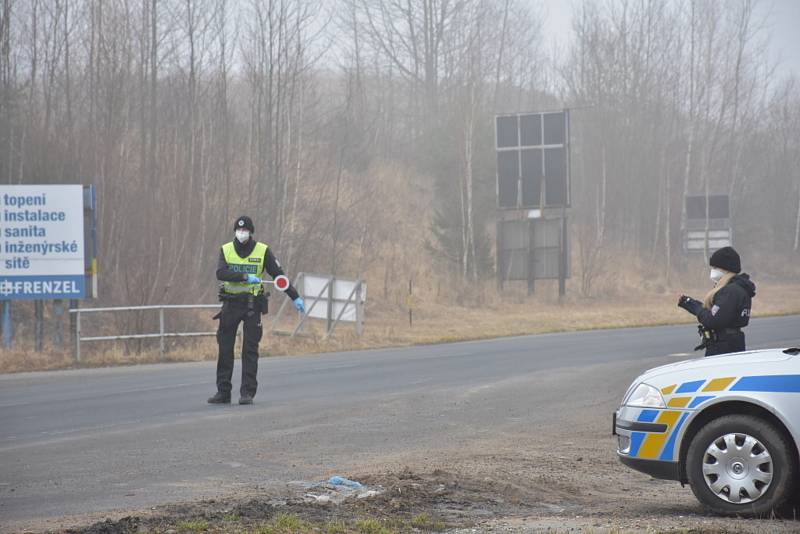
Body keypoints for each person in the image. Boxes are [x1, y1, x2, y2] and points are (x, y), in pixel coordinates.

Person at [208, 216, 306, 405]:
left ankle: (247, 393)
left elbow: (279, 277)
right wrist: (245, 276)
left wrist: (295, 297)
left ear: (251, 232)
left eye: (245, 231)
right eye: (239, 230)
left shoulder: (263, 251)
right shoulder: (226, 249)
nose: (241, 233)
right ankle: (223, 392)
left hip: (252, 305)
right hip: (230, 304)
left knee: (250, 349)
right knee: (225, 349)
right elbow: (221, 273)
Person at [677, 246, 756, 356]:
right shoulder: (735, 288)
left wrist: (696, 308)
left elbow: (712, 319)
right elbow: (715, 311)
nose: (712, 271)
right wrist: (689, 302)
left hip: (724, 346)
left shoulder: (730, 291)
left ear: (726, 268)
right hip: (729, 342)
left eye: (715, 267)